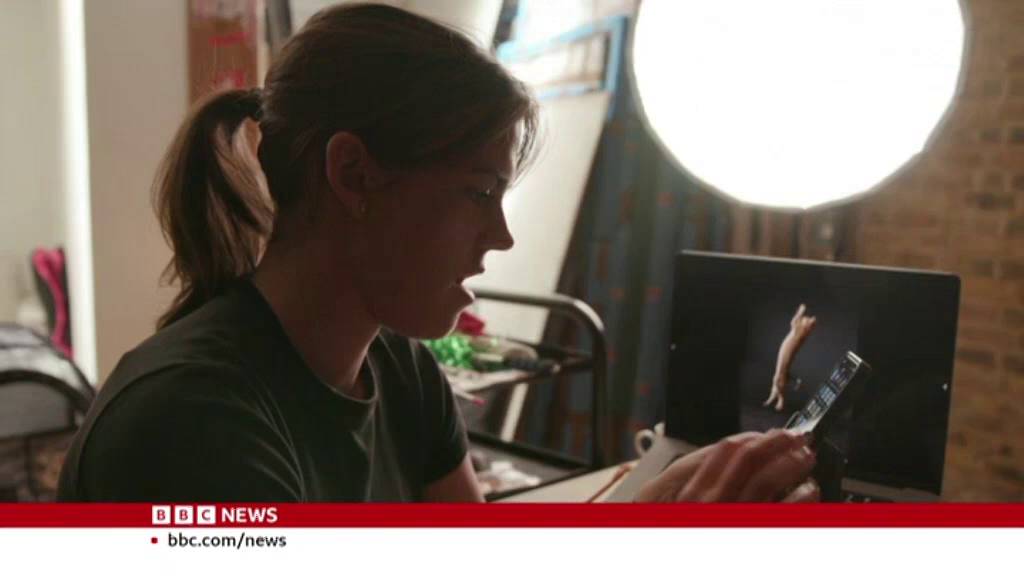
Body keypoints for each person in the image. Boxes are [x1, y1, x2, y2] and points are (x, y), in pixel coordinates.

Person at [58, 3, 817, 503]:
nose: (502, 236)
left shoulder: (398, 367)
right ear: (354, 175)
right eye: (479, 193)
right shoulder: (191, 422)